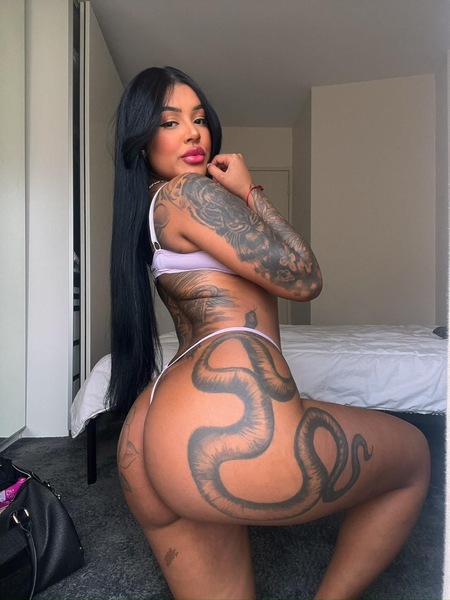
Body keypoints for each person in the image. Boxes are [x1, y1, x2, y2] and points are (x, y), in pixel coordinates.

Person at [109, 66, 430, 600]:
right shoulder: (189, 193)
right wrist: (249, 190)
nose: (193, 133)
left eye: (198, 119)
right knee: (414, 455)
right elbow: (303, 276)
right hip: (219, 418)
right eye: (170, 122)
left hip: (151, 430)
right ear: (143, 140)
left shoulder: (153, 208)